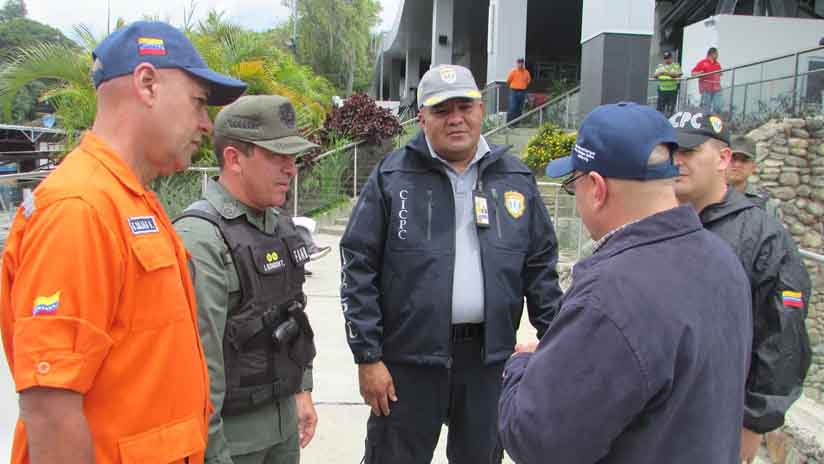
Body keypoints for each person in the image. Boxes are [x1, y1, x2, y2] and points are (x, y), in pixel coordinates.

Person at [0, 21, 246, 464]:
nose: (207, 124)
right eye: (198, 102)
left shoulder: (128, 200)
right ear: (147, 83)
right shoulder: (79, 209)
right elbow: (51, 410)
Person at [498, 102, 753, 463]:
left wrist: (522, 367)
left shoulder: (609, 295)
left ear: (597, 188)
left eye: (575, 185)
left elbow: (538, 440)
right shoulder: (722, 259)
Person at [340, 64, 563, 464]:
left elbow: (541, 268)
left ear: (481, 110)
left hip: (488, 363)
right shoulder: (392, 176)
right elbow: (358, 266)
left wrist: (559, 345)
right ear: (422, 115)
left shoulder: (515, 178)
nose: (456, 118)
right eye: (442, 110)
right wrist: (367, 357)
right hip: (407, 363)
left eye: (465, 106)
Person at [174, 95, 319, 464]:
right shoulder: (201, 238)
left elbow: (294, 314)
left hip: (282, 428)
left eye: (293, 158)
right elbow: (197, 371)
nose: (292, 169)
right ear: (234, 159)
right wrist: (211, 453)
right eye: (277, 157)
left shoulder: (279, 225)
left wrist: (301, 390)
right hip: (232, 442)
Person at [670, 109, 812, 463]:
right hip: (657, 411)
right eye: (670, 151)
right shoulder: (657, 222)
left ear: (723, 159)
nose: (676, 161)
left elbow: (783, 334)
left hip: (718, 419)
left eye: (688, 152)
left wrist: (754, 421)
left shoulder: (762, 235)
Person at [726, 134, 781, 218]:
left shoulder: (766, 205)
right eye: (733, 158)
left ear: (753, 167)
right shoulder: (707, 198)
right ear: (723, 161)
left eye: (744, 160)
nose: (737, 164)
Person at [692, 47, 723, 114]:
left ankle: (715, 120)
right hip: (706, 89)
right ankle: (706, 121)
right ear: (712, 54)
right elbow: (693, 73)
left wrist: (720, 73)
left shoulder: (717, 63)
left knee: (718, 106)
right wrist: (700, 73)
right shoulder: (702, 63)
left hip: (717, 88)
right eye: (716, 54)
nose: (717, 55)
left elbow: (720, 74)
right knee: (706, 107)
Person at [653, 51, 682, 116]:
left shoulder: (675, 65)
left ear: (671, 58)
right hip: (662, 90)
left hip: (672, 90)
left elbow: (678, 75)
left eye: (668, 58)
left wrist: (665, 73)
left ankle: (670, 119)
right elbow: (655, 75)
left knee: (671, 109)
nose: (667, 60)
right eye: (665, 58)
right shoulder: (660, 66)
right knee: (660, 109)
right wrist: (660, 73)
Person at [506, 58, 531, 122]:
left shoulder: (526, 72)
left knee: (519, 108)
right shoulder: (513, 71)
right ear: (517, 64)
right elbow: (508, 81)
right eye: (519, 63)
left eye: (521, 62)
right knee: (512, 107)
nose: (520, 64)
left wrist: (523, 85)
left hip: (522, 91)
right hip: (514, 91)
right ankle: (509, 123)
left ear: (523, 63)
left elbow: (528, 81)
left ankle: (517, 123)